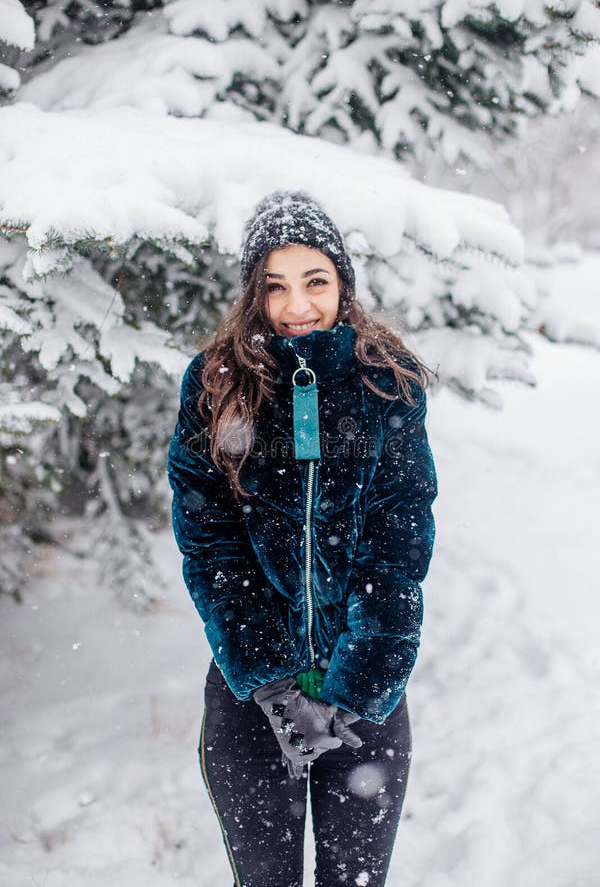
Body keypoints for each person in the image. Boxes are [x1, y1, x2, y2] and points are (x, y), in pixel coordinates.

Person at [167, 191, 438, 887]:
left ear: (343, 283)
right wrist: (275, 684)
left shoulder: (388, 383)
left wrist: (356, 683)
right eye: (274, 286)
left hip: (366, 707)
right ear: (252, 294)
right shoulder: (214, 384)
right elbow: (211, 544)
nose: (296, 306)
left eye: (315, 281)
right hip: (253, 701)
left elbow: (400, 540)